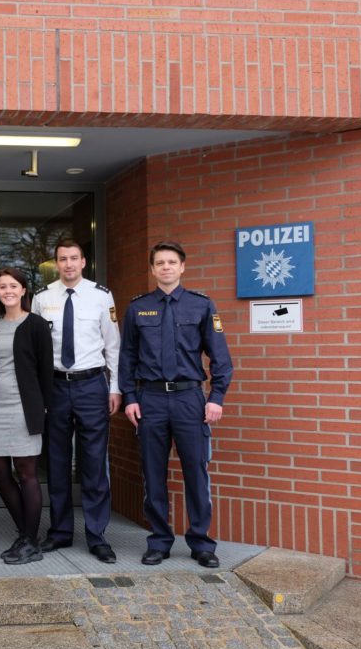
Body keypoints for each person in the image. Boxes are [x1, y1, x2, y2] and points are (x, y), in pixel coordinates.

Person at [118, 240, 233, 569]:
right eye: (160, 263)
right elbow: (126, 358)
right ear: (152, 269)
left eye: (172, 262)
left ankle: (201, 542)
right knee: (152, 473)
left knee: (195, 471)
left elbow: (220, 357)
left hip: (189, 400)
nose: (166, 267)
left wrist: (216, 398)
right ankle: (159, 541)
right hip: (150, 399)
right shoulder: (139, 308)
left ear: (182, 267)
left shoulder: (201, 305)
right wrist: (129, 397)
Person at [31, 238, 121, 564]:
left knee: (94, 464)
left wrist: (116, 388)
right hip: (55, 386)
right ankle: (60, 532)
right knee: (56, 463)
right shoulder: (42, 298)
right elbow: (38, 349)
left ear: (84, 262)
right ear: (56, 263)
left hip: (92, 385)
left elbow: (113, 345)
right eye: (62, 259)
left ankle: (97, 536)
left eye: (74, 258)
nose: (68, 264)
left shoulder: (101, 296)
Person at [0, 268, 54, 565]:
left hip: (25, 407)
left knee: (26, 473)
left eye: (13, 286)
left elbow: (46, 371)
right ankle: (26, 534)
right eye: (3, 287)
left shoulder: (36, 325)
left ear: (24, 290)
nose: (8, 291)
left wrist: (43, 409)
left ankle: (29, 541)